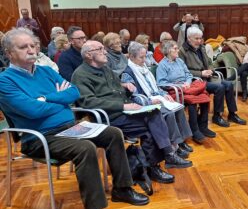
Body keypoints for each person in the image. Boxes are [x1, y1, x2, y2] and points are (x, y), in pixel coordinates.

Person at [0, 28, 149, 209]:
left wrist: (44, 99)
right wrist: (59, 99)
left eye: (32, 45)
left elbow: (73, 93)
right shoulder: (5, 81)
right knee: (85, 147)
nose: (31, 50)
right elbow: (31, 111)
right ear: (9, 53)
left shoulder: (45, 71)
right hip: (40, 138)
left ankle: (122, 188)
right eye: (23, 47)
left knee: (113, 133)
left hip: (69, 127)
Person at [71, 40, 192, 181]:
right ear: (88, 55)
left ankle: (158, 163)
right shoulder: (80, 75)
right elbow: (88, 102)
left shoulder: (106, 69)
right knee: (151, 126)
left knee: (154, 114)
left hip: (124, 112)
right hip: (107, 116)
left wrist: (125, 87)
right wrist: (123, 106)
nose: (105, 52)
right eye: (100, 49)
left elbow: (116, 91)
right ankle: (163, 159)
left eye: (103, 48)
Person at [121, 41, 193, 155]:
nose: (144, 60)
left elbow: (155, 88)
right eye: (141, 57)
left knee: (178, 107)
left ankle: (182, 141)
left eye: (145, 56)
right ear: (131, 57)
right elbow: (133, 97)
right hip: (144, 103)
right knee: (169, 113)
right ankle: (175, 146)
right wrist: (150, 100)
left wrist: (164, 94)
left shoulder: (143, 67)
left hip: (155, 97)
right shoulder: (128, 72)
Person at [179, 27, 246, 128]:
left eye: (200, 38)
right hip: (195, 81)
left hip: (208, 77)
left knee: (228, 84)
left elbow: (210, 62)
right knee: (220, 87)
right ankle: (217, 116)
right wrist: (201, 73)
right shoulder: (182, 51)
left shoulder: (201, 47)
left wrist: (211, 70)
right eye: (196, 38)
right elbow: (183, 71)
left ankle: (232, 114)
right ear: (189, 38)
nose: (199, 41)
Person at [157, 40, 215, 144]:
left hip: (187, 87)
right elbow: (161, 83)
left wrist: (188, 83)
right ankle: (195, 130)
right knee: (191, 102)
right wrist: (180, 86)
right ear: (169, 50)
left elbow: (188, 75)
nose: (178, 50)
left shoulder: (179, 61)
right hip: (175, 91)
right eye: (175, 48)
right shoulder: (162, 65)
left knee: (205, 97)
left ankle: (203, 126)